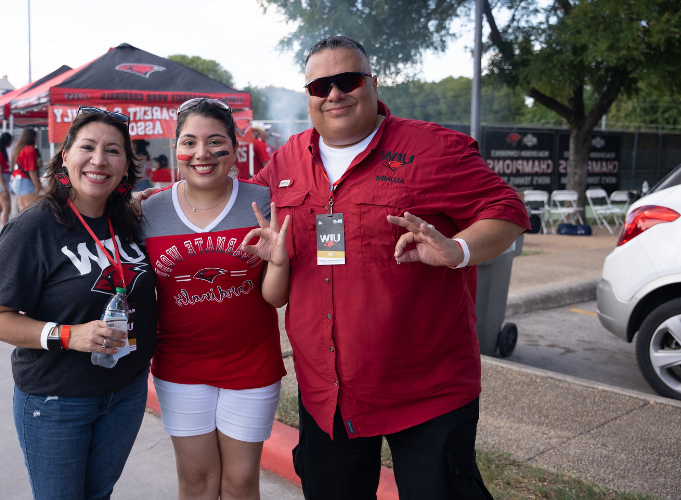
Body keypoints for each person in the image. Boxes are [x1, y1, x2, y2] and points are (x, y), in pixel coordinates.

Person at [244, 36, 531, 499]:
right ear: (309, 95)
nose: (334, 94)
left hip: (427, 391)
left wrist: (456, 248)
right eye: (321, 85)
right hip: (328, 393)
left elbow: (507, 209)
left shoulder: (435, 148)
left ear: (373, 84)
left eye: (347, 80)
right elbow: (230, 202)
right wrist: (144, 204)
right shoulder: (287, 159)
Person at [0, 108, 157, 499]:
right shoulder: (34, 228)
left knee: (99, 495)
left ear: (127, 164)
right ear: (65, 156)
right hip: (56, 399)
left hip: (125, 392)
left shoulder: (128, 220)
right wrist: (68, 334)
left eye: (113, 150)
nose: (99, 160)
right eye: (87, 147)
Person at [140, 98, 289, 500]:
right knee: (197, 484)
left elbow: (275, 299)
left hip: (251, 364)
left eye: (215, 141)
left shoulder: (263, 201)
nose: (202, 153)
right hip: (180, 366)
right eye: (189, 142)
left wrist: (277, 262)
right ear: (176, 149)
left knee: (241, 484)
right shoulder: (149, 210)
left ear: (236, 146)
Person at [10, 129, 43, 211]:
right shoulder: (30, 149)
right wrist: (37, 186)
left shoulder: (19, 148)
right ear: (32, 137)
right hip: (25, 182)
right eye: (36, 137)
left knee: (23, 211)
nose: (37, 139)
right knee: (31, 212)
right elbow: (31, 170)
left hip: (17, 181)